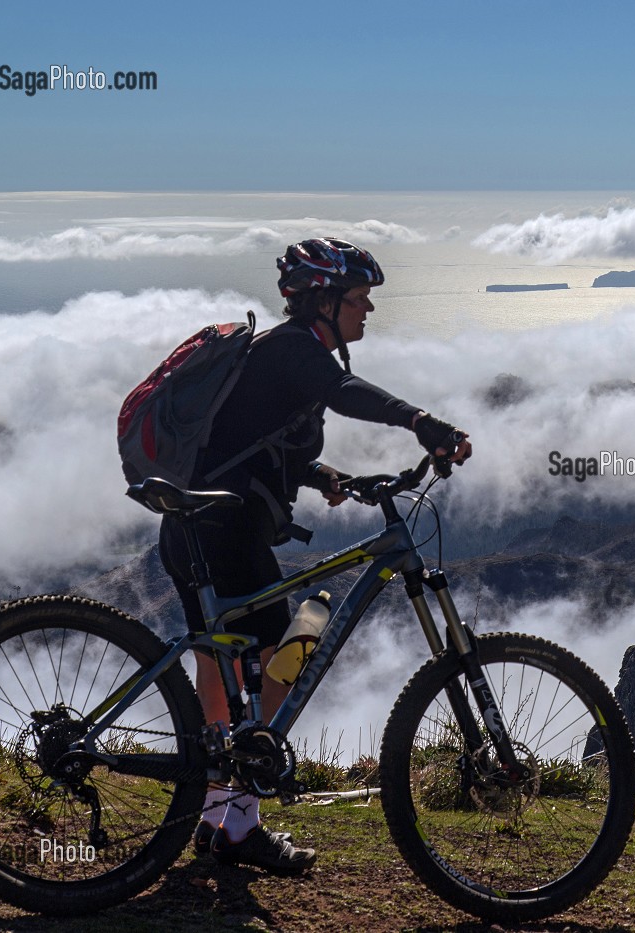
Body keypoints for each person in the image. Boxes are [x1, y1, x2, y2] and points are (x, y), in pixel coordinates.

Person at [157, 237, 471, 873]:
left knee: (225, 660)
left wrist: (325, 476)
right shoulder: (296, 350)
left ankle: (218, 808)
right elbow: (349, 392)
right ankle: (238, 819)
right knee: (296, 637)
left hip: (200, 524)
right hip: (223, 529)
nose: (367, 311)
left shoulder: (282, 357)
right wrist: (422, 423)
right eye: (359, 299)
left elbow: (251, 444)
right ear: (322, 302)